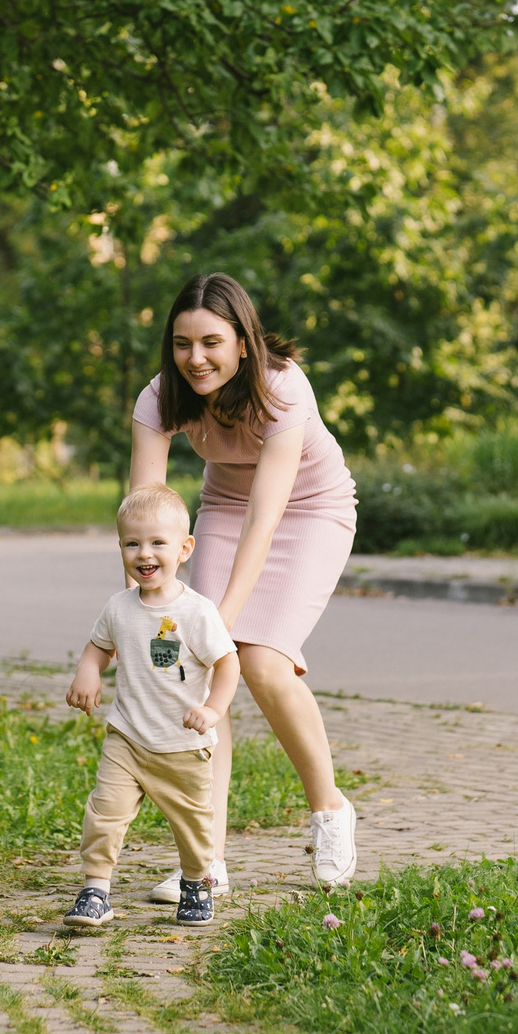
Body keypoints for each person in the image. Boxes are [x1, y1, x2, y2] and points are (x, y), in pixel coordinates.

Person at [129, 271, 360, 893]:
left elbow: (268, 517)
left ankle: (330, 809)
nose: (195, 358)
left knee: (258, 663)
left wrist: (216, 622)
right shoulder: (158, 399)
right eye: (182, 344)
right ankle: (205, 864)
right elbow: (144, 508)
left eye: (211, 342)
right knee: (199, 676)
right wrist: (142, 606)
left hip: (310, 511)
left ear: (242, 341)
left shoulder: (284, 389)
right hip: (225, 509)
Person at [60, 484, 242, 930]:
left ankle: (197, 884)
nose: (145, 553)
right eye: (132, 543)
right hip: (128, 737)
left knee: (193, 823)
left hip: (182, 744)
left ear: (184, 549)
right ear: (120, 547)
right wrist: (89, 670)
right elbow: (98, 647)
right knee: (104, 811)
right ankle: (96, 890)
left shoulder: (197, 612)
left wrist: (214, 709)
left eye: (158, 543)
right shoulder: (118, 607)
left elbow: (228, 663)